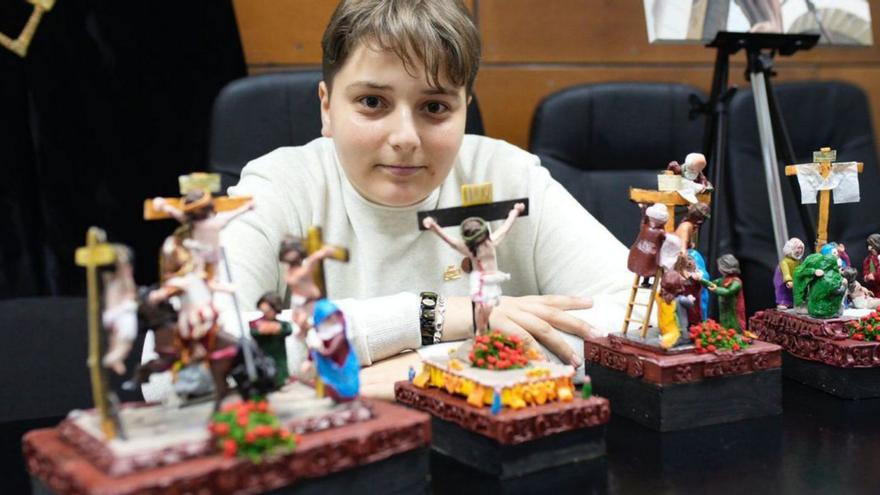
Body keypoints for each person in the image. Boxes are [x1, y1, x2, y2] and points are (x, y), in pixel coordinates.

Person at [136, 0, 632, 402]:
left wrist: (418, 372)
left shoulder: (510, 175)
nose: (405, 137)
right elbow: (177, 367)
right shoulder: (277, 185)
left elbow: (641, 319)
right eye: (372, 102)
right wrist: (445, 316)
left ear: (464, 110)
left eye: (434, 107)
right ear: (327, 108)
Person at [422, 203, 524, 334]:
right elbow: (451, 241)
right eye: (477, 239)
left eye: (481, 237)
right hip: (480, 282)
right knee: (480, 308)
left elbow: (505, 228)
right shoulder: (470, 250)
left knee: (488, 308)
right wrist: (434, 227)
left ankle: (483, 329)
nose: (481, 241)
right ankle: (480, 331)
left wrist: (515, 212)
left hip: (492, 280)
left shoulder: (491, 242)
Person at [250, 292, 294, 387]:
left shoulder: (282, 324)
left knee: (280, 371)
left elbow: (288, 330)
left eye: (269, 311)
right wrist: (262, 330)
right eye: (263, 311)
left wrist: (277, 328)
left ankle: (281, 381)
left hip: (279, 357)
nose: (266, 314)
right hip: (263, 356)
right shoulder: (256, 323)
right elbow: (253, 332)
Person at [773, 237, 805, 309]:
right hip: (782, 278)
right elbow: (786, 272)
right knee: (782, 290)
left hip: (793, 278)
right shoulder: (785, 262)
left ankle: (794, 302)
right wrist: (788, 280)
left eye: (801, 248)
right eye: (798, 248)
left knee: (794, 291)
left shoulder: (797, 261)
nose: (800, 250)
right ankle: (782, 302)